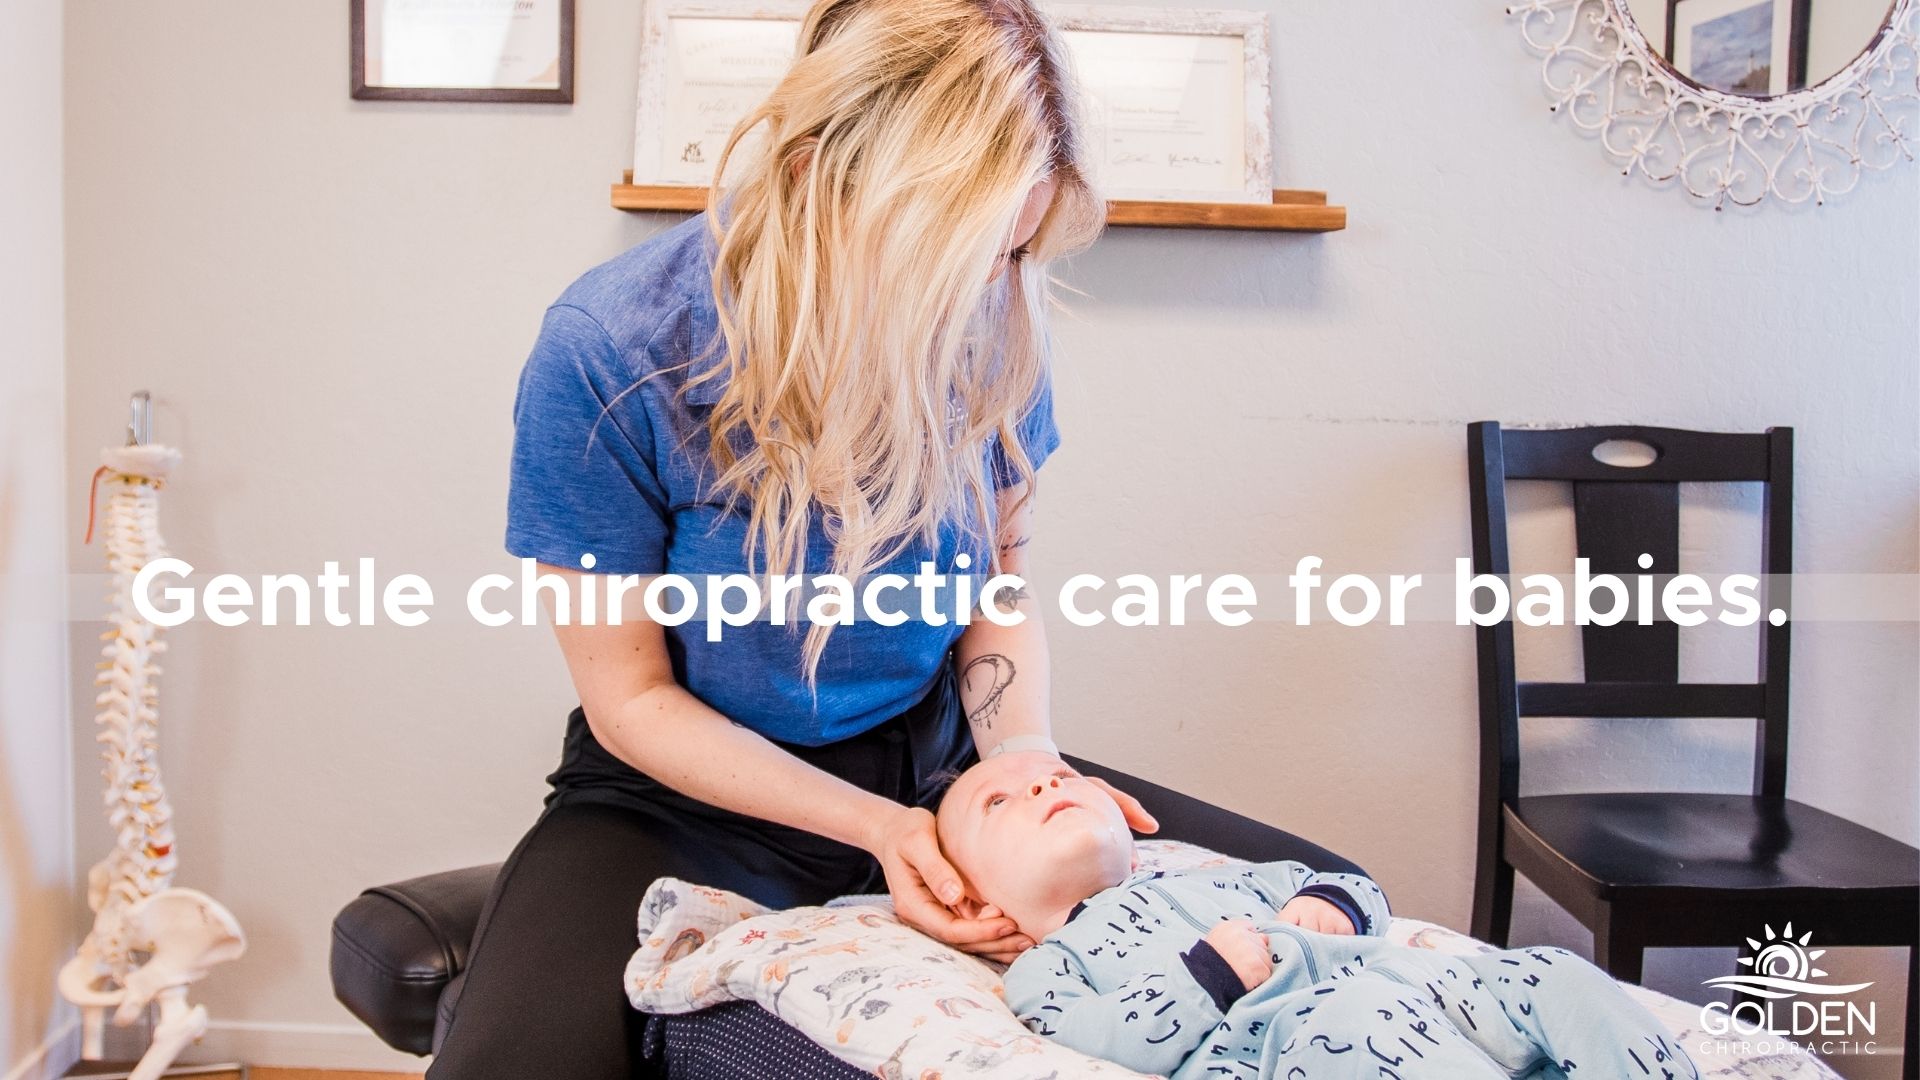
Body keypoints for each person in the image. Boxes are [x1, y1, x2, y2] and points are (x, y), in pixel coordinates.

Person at [428, 0, 1365, 1076]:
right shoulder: (613, 348)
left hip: (943, 767)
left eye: (1008, 257)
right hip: (684, 793)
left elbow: (998, 587)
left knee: (1334, 895)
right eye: (958, 257)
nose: (984, 294)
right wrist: (881, 832)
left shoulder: (997, 309)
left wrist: (1021, 761)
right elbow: (630, 699)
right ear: (820, 177)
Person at [934, 752, 1700, 1079]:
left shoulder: (1219, 876)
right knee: (1360, 1022)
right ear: (973, 897)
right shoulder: (1046, 965)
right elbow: (1096, 1039)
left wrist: (1327, 901)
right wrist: (1202, 982)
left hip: (1434, 989)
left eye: (1060, 775)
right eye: (997, 801)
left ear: (1126, 818)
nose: (1040, 786)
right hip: (1311, 1041)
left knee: (1554, 973)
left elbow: (1355, 890)